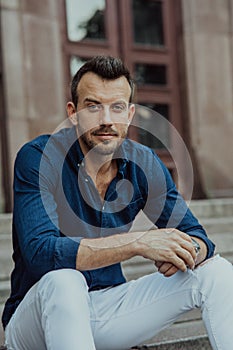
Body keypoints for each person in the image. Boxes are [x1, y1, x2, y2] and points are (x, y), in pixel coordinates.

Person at [2, 55, 233, 350]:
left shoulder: (143, 163)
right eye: (93, 106)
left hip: (108, 310)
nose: (106, 120)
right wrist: (139, 243)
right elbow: (41, 254)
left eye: (117, 107)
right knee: (64, 281)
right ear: (73, 112)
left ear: (130, 113)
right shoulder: (38, 157)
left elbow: (199, 238)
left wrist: (188, 250)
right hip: (36, 319)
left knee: (217, 272)